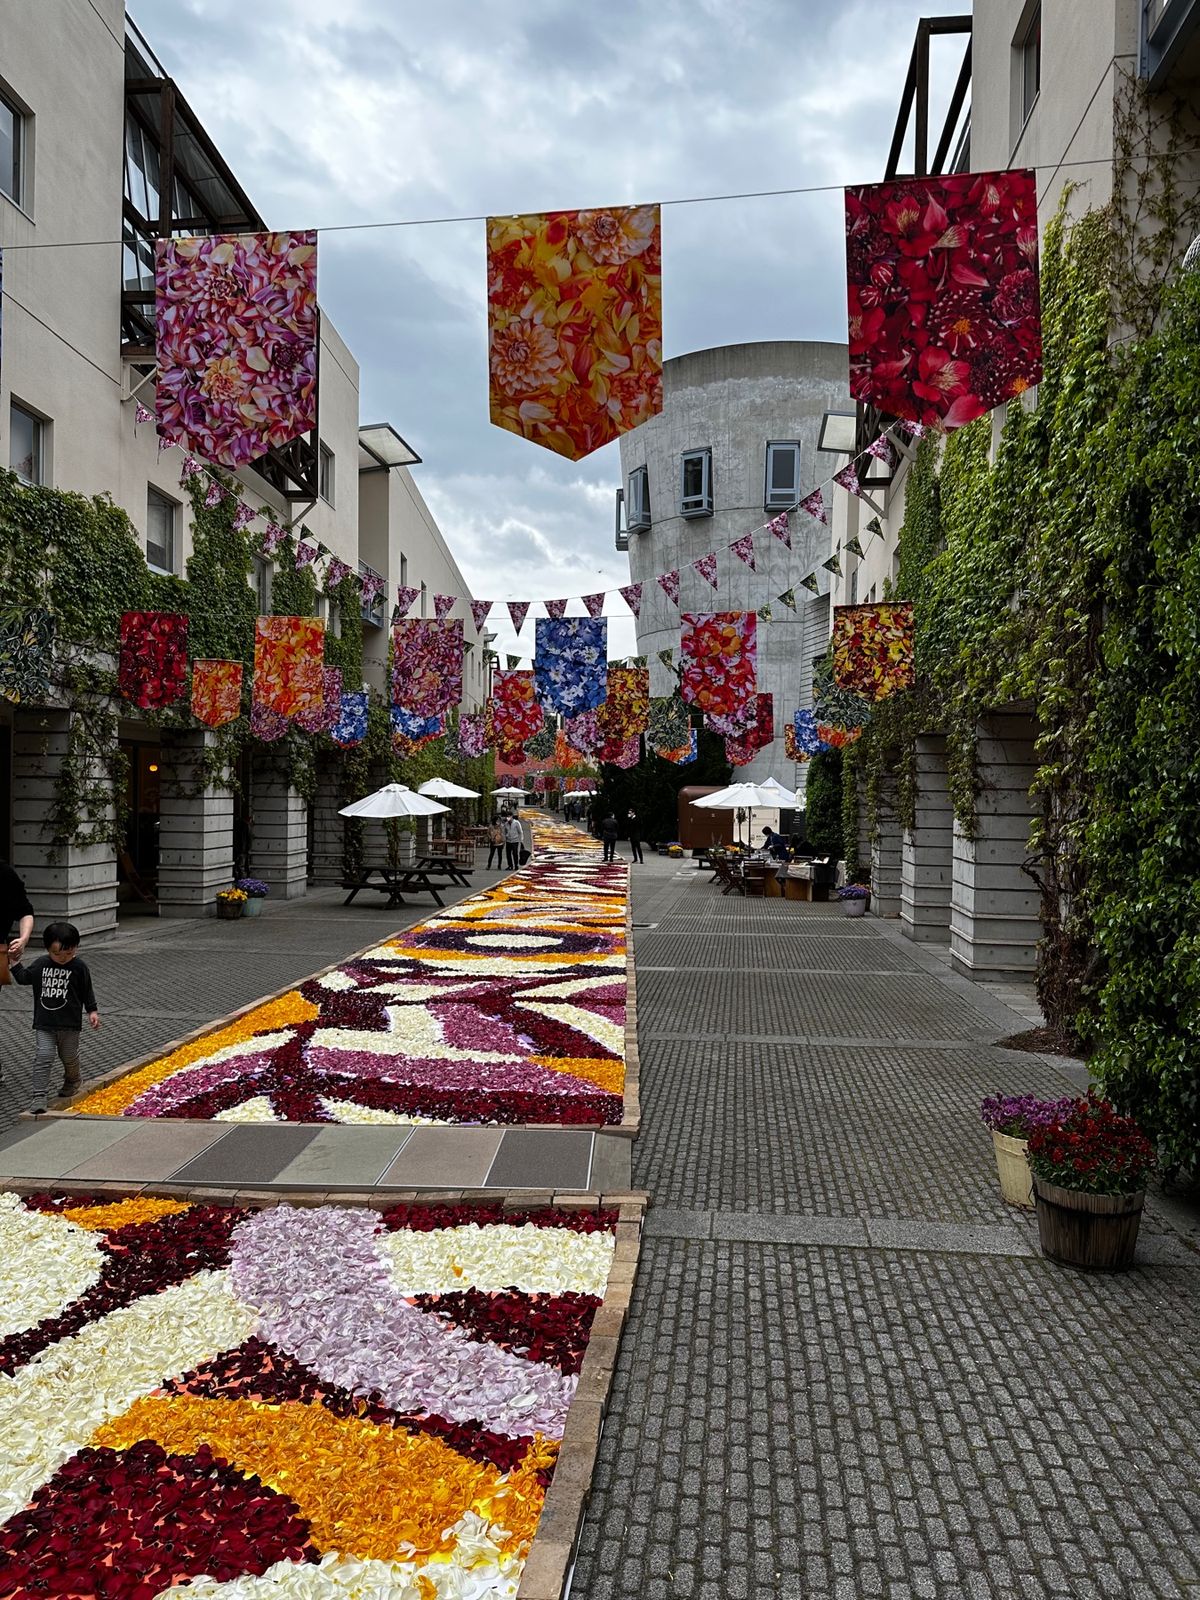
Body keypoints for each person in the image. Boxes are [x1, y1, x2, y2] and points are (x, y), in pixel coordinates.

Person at [11, 920, 101, 1115]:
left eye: (69, 953)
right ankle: (39, 1095)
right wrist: (14, 962)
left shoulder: (79, 967)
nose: (63, 958)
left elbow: (87, 990)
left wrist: (92, 1011)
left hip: (70, 1025)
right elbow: (24, 978)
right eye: (57, 953)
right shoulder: (41, 964)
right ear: (47, 949)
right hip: (45, 1023)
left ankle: (73, 1079)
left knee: (69, 1056)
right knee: (44, 1056)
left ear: (76, 948)